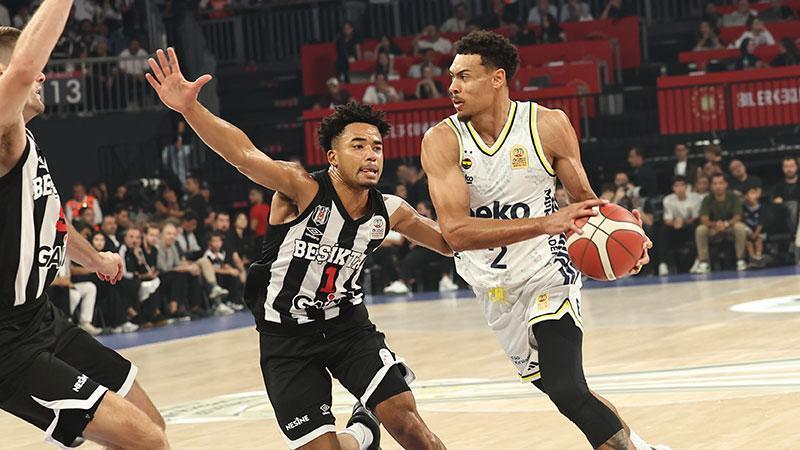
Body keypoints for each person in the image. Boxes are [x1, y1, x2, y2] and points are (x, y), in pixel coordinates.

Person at [147, 48, 453, 449]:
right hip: (286, 338)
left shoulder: (390, 210)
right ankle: (362, 433)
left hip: (348, 328)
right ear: (332, 156)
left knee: (413, 429)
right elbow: (243, 155)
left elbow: (451, 242)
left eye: (377, 147)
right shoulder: (301, 188)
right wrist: (190, 109)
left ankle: (368, 422)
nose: (371, 155)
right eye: (358, 146)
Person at [420, 31, 665, 450]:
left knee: (567, 386)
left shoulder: (547, 125)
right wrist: (545, 222)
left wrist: (623, 230)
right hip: (492, 285)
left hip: (548, 270)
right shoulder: (441, 140)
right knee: (564, 389)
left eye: (464, 76)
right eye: (452, 77)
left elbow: (583, 200)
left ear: (498, 78)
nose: (452, 87)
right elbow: (456, 232)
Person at [0, 11, 167, 449]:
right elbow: (22, 70)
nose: (43, 76)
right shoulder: (2, 136)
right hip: (6, 343)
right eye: (37, 69)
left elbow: (52, 220)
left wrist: (95, 259)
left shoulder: (26, 143)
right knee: (147, 441)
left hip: (41, 318)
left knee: (152, 426)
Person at [691, 174, 749, 273]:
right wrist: (715, 225)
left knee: (740, 227)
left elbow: (738, 216)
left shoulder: (733, 197)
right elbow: (704, 219)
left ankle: (740, 260)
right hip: (713, 229)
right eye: (715, 184)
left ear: (726, 184)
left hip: (730, 227)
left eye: (721, 183)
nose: (718, 186)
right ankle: (704, 262)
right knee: (700, 229)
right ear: (711, 186)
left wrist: (726, 224)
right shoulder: (707, 199)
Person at [659, 176, 702, 275]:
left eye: (682, 185)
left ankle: (697, 261)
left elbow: (695, 217)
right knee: (663, 230)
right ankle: (663, 264)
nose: (679, 188)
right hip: (674, 227)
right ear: (673, 188)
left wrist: (683, 222)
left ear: (686, 187)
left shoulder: (695, 198)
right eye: (676, 186)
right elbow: (667, 219)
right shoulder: (668, 199)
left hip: (689, 226)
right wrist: (675, 222)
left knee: (697, 227)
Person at [742, 186, 766, 268]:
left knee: (758, 239)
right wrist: (750, 232)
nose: (753, 195)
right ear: (746, 196)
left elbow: (761, 223)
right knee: (748, 242)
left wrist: (756, 233)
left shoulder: (762, 207)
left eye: (754, 193)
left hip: (760, 231)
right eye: (750, 193)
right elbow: (743, 221)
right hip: (749, 231)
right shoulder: (744, 208)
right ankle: (752, 258)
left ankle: (759, 257)